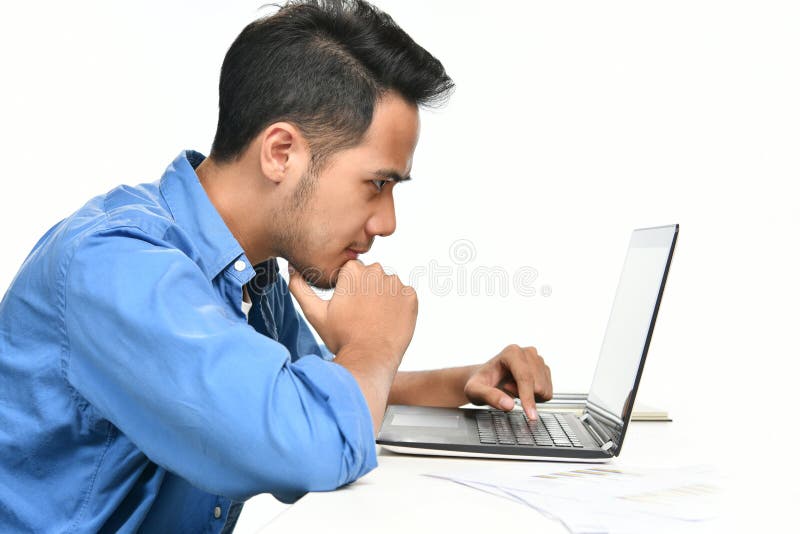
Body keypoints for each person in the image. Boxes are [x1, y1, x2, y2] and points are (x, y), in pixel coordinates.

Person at [0, 0, 552, 531]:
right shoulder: (119, 267)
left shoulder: (250, 275)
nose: (387, 222)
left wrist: (464, 383)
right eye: (377, 183)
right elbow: (308, 442)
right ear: (281, 153)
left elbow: (323, 394)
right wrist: (373, 344)